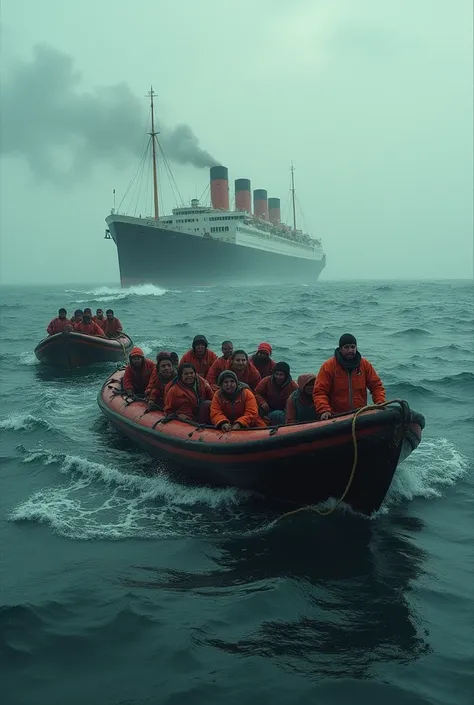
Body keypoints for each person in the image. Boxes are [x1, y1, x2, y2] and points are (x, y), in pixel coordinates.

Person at [313, 334, 386, 420]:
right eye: (346, 347)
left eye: (353, 347)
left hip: (359, 414)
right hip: (336, 417)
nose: (350, 350)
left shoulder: (365, 365)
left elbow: (376, 386)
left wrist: (380, 402)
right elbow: (319, 391)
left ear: (356, 348)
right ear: (340, 349)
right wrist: (324, 410)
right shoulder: (328, 366)